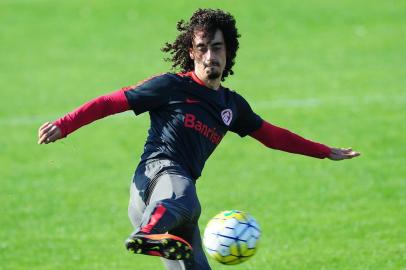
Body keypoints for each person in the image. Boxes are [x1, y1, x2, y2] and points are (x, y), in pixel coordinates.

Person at [37, 8, 360, 270]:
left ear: (227, 51)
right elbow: (110, 103)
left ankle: (153, 233)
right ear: (191, 52)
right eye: (202, 48)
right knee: (186, 194)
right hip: (155, 179)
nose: (209, 56)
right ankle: (148, 234)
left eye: (216, 47)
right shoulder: (170, 86)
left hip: (175, 214)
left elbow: (271, 135)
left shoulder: (232, 105)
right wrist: (65, 124)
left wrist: (322, 151)